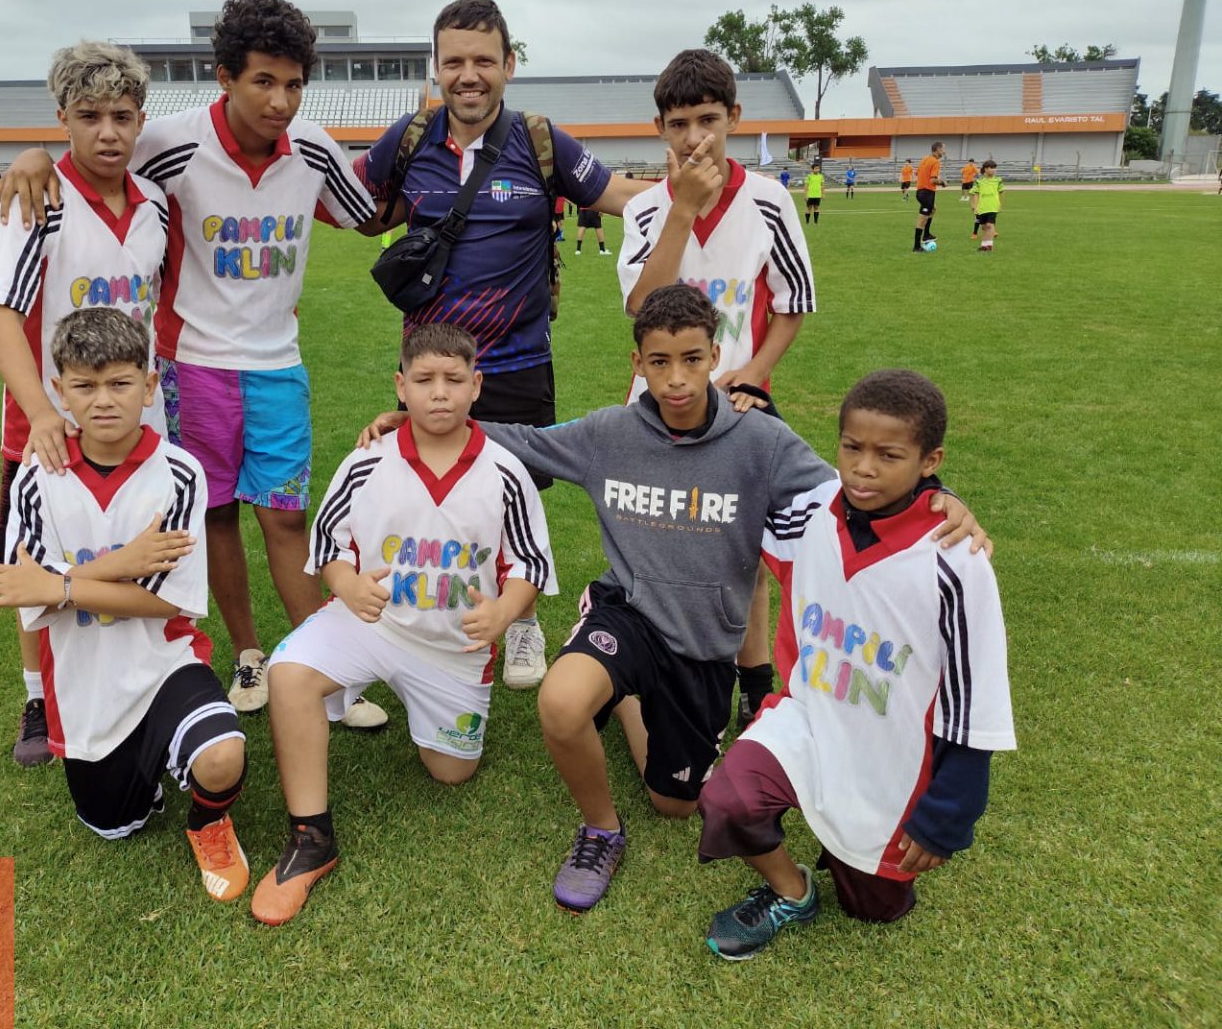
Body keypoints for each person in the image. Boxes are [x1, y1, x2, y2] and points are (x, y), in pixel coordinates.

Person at [357, 285, 987, 915]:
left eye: (691, 359)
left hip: (704, 642)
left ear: (715, 355)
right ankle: (601, 830)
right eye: (659, 362)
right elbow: (520, 441)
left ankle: (630, 698)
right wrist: (419, 422)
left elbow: (853, 490)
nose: (676, 378)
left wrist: (940, 495)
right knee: (562, 701)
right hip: (627, 613)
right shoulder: (608, 435)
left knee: (675, 803)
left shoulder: (761, 442)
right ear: (638, 363)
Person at [0, 0, 388, 730]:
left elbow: (370, 214)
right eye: (263, 81)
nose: (280, 100)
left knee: (287, 519)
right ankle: (247, 654)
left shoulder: (313, 148)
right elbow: (91, 147)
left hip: (278, 365)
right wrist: (33, 157)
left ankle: (328, 670)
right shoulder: (167, 143)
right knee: (212, 516)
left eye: (294, 84)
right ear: (225, 77)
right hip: (191, 366)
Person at [355, 0, 648, 690]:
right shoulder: (411, 137)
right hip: (432, 364)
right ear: (436, 67)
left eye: (484, 60)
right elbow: (349, 202)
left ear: (509, 65)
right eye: (454, 61)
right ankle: (427, 616)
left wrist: (708, 192)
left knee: (515, 498)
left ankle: (521, 623)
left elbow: (617, 195)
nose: (469, 75)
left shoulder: (539, 139)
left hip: (519, 361)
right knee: (428, 493)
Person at [698, 369, 1015, 959]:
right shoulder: (812, 515)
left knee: (873, 908)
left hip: (889, 758)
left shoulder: (957, 562)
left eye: (888, 455)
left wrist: (948, 816)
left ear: (930, 461)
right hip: (809, 719)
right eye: (851, 448)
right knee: (728, 798)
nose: (864, 468)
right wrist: (752, 407)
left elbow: (977, 701)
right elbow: (765, 470)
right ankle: (792, 891)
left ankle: (853, 850)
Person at [251, 322, 558, 925]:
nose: (439, 392)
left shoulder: (505, 471)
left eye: (453, 379)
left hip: (453, 650)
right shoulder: (368, 460)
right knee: (287, 673)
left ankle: (413, 706)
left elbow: (529, 563)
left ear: (476, 385)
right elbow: (329, 545)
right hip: (374, 623)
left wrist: (503, 611)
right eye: (424, 380)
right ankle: (311, 837)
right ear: (400, 386)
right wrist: (346, 584)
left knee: (451, 773)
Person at [0, 308, 253, 904]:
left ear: (149, 386)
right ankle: (148, 769)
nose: (104, 400)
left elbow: (163, 603)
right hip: (84, 685)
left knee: (222, 757)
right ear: (59, 391)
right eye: (85, 386)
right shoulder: (36, 479)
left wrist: (61, 585)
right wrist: (120, 563)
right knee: (114, 824)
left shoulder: (180, 474)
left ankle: (207, 821)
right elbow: (28, 593)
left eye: (120, 383)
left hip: (163, 666)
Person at [0, 39, 176, 767]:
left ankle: (141, 677)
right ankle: (37, 696)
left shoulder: (155, 205)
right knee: (38, 559)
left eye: (122, 116)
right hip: (51, 422)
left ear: (140, 119)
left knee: (133, 547)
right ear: (63, 118)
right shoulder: (38, 200)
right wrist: (42, 413)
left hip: (140, 419)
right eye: (89, 116)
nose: (108, 133)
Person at [617, 48, 816, 728]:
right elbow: (643, 306)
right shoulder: (646, 210)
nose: (695, 137)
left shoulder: (770, 201)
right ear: (660, 129)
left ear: (734, 116)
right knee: (658, 544)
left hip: (739, 403)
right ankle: (661, 673)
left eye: (707, 119)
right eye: (679, 124)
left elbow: (792, 304)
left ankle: (754, 684)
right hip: (658, 404)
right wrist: (681, 211)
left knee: (747, 555)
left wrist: (755, 371)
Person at [912, 143, 944, 252]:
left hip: (921, 191)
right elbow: (933, 180)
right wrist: (942, 182)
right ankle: (916, 247)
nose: (944, 152)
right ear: (938, 149)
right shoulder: (935, 162)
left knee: (933, 209)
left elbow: (917, 173)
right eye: (943, 149)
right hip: (927, 192)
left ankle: (926, 234)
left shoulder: (925, 159)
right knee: (922, 219)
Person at [969, 159, 1004, 251]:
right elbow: (975, 193)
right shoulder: (979, 181)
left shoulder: (998, 180)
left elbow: (1000, 192)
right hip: (982, 207)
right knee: (984, 227)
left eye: (994, 168)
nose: (993, 170)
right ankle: (984, 246)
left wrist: (1000, 204)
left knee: (989, 225)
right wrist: (975, 206)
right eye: (991, 168)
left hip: (993, 206)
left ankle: (989, 246)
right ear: (985, 169)